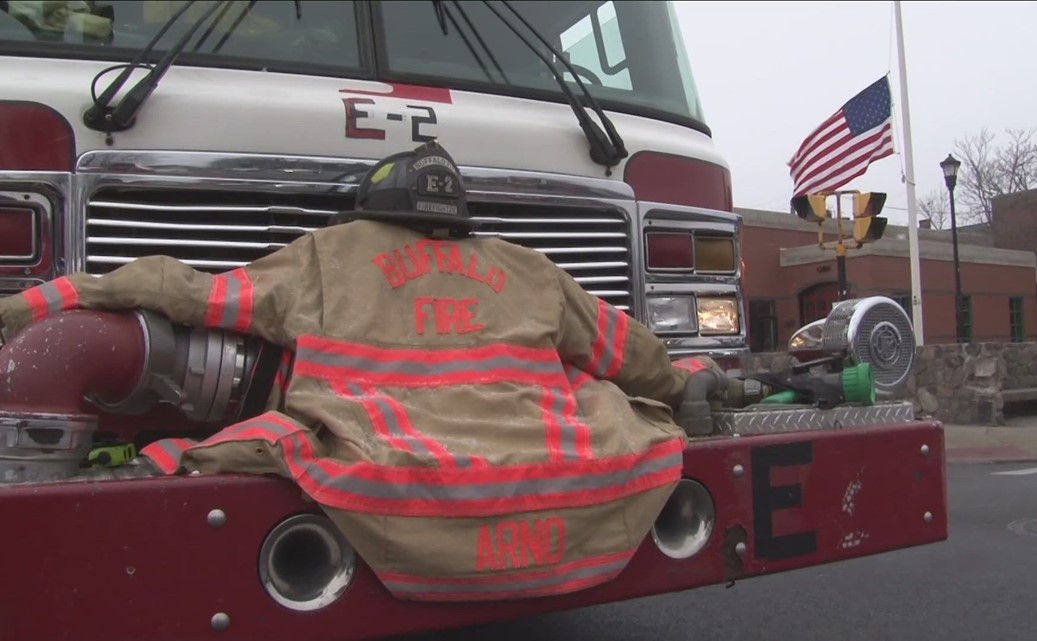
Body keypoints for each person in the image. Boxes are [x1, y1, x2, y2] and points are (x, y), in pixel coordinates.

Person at [0, 141, 722, 602]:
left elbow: (188, 292)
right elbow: (632, 356)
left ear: (374, 206)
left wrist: (47, 302)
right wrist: (684, 381)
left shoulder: (327, 258)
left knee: (217, 449)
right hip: (562, 498)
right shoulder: (529, 269)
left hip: (385, 484)